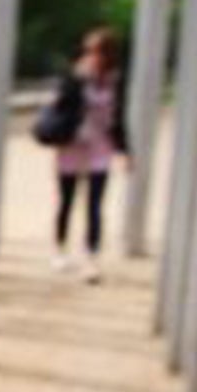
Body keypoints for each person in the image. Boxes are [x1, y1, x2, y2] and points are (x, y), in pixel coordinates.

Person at [40, 27, 127, 283]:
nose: (93, 56)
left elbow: (118, 117)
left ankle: (91, 257)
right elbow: (60, 105)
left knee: (95, 205)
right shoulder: (75, 76)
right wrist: (77, 79)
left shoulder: (115, 80)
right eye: (89, 51)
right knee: (66, 200)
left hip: (100, 148)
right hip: (71, 147)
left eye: (97, 52)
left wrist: (124, 149)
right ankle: (60, 249)